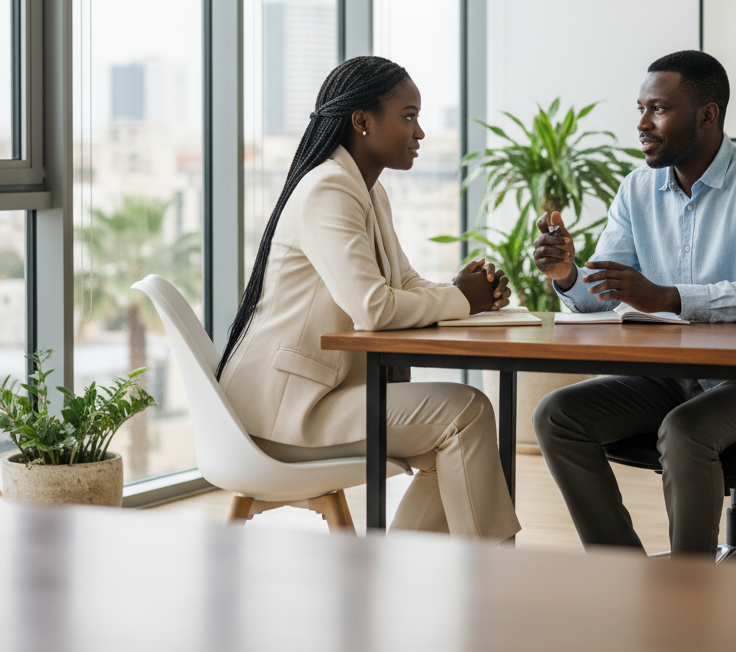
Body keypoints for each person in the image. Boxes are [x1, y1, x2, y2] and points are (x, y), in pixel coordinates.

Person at [218, 55, 520, 542]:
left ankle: (403, 575)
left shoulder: (367, 191)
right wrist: (463, 301)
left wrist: (460, 292)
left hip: (322, 398)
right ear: (362, 121)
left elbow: (404, 282)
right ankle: (487, 570)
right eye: (408, 116)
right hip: (286, 413)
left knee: (462, 426)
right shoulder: (329, 189)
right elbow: (374, 309)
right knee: (466, 412)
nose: (419, 132)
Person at [531, 50, 736, 555]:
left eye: (658, 109)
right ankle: (622, 571)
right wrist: (567, 273)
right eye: (641, 108)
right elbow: (607, 287)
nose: (641, 123)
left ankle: (688, 593)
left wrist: (667, 297)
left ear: (707, 114)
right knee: (557, 415)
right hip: (668, 374)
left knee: (685, 428)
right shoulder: (637, 189)